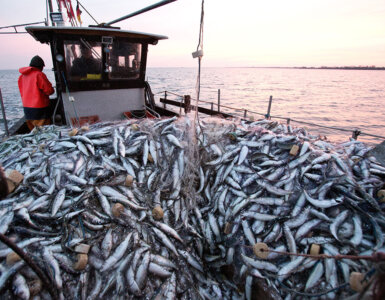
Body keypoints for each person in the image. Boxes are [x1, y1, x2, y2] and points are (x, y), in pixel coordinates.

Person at [18, 55, 55, 131]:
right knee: (45, 132)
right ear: (41, 66)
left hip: (27, 110)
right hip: (40, 110)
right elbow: (49, 91)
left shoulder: (22, 76)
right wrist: (52, 89)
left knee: (34, 133)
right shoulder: (39, 74)